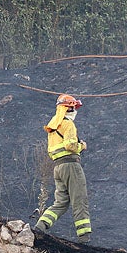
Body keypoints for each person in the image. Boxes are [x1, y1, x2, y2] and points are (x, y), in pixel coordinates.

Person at [34, 94, 92, 243]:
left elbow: (50, 151)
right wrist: (82, 146)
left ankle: (41, 226)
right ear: (68, 108)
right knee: (79, 199)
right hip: (71, 166)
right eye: (73, 108)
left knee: (61, 202)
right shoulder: (68, 124)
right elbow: (70, 145)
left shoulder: (53, 128)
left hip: (58, 168)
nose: (75, 111)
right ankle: (84, 237)